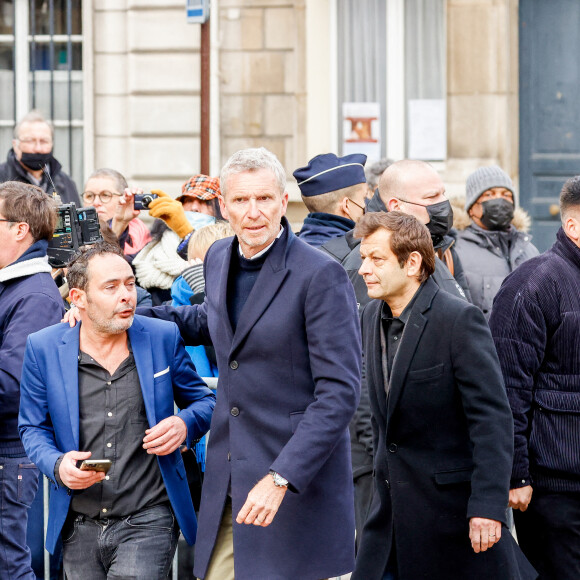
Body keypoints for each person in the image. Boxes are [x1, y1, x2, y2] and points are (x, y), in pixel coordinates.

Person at [137, 147, 362, 579]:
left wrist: (281, 477)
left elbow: (339, 394)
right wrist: (123, 317)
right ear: (224, 205)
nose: (253, 212)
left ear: (283, 201)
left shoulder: (320, 275)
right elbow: (211, 322)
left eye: (264, 199)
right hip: (228, 475)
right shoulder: (219, 257)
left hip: (296, 483)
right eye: (241, 200)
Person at [352, 211, 536, 580]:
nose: (363, 270)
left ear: (413, 263)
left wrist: (487, 505)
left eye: (376, 259)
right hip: (388, 516)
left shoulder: (459, 320)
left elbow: (491, 420)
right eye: (362, 259)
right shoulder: (371, 316)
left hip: (452, 516)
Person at [18, 242, 215, 580]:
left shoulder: (161, 336)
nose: (127, 295)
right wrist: (57, 464)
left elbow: (205, 401)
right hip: (77, 522)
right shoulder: (44, 347)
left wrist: (184, 424)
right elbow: (32, 427)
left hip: (148, 516)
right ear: (77, 298)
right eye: (111, 287)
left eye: (129, 283)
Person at [489, 176, 580, 579]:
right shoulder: (534, 283)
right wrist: (516, 473)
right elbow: (507, 387)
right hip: (554, 486)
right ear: (573, 226)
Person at [294, 151, 373, 548]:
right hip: (348, 432)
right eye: (366, 197)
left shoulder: (288, 255)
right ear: (348, 205)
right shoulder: (358, 262)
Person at [0, 181, 65, 580]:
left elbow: (12, 383)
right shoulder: (15, 286)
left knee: (10, 567)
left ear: (19, 229)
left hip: (10, 457)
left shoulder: (36, 295)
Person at [341, 159, 470, 312]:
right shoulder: (367, 261)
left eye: (443, 194)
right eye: (431, 197)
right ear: (396, 206)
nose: (443, 202)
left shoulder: (436, 246)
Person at [453, 165, 539, 319]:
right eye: (489, 194)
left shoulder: (528, 249)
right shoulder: (455, 249)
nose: (499, 200)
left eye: (506, 195)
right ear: (472, 207)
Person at [133, 175, 219, 305]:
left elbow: (213, 266)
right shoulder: (156, 245)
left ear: (220, 208)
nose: (194, 208)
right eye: (188, 201)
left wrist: (185, 231)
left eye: (205, 202)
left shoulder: (226, 242)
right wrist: (120, 221)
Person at [0, 110, 80, 205]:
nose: (38, 148)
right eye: (30, 141)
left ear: (52, 144)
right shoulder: (2, 177)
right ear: (15, 145)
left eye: (44, 141)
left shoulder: (67, 183)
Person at [294, 152, 367, 254]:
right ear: (346, 205)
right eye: (364, 198)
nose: (366, 204)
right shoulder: (359, 255)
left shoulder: (289, 250)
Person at [82, 168, 151, 260]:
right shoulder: (71, 234)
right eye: (89, 196)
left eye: (105, 195)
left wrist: (119, 223)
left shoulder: (139, 234)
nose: (96, 202)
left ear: (124, 198)